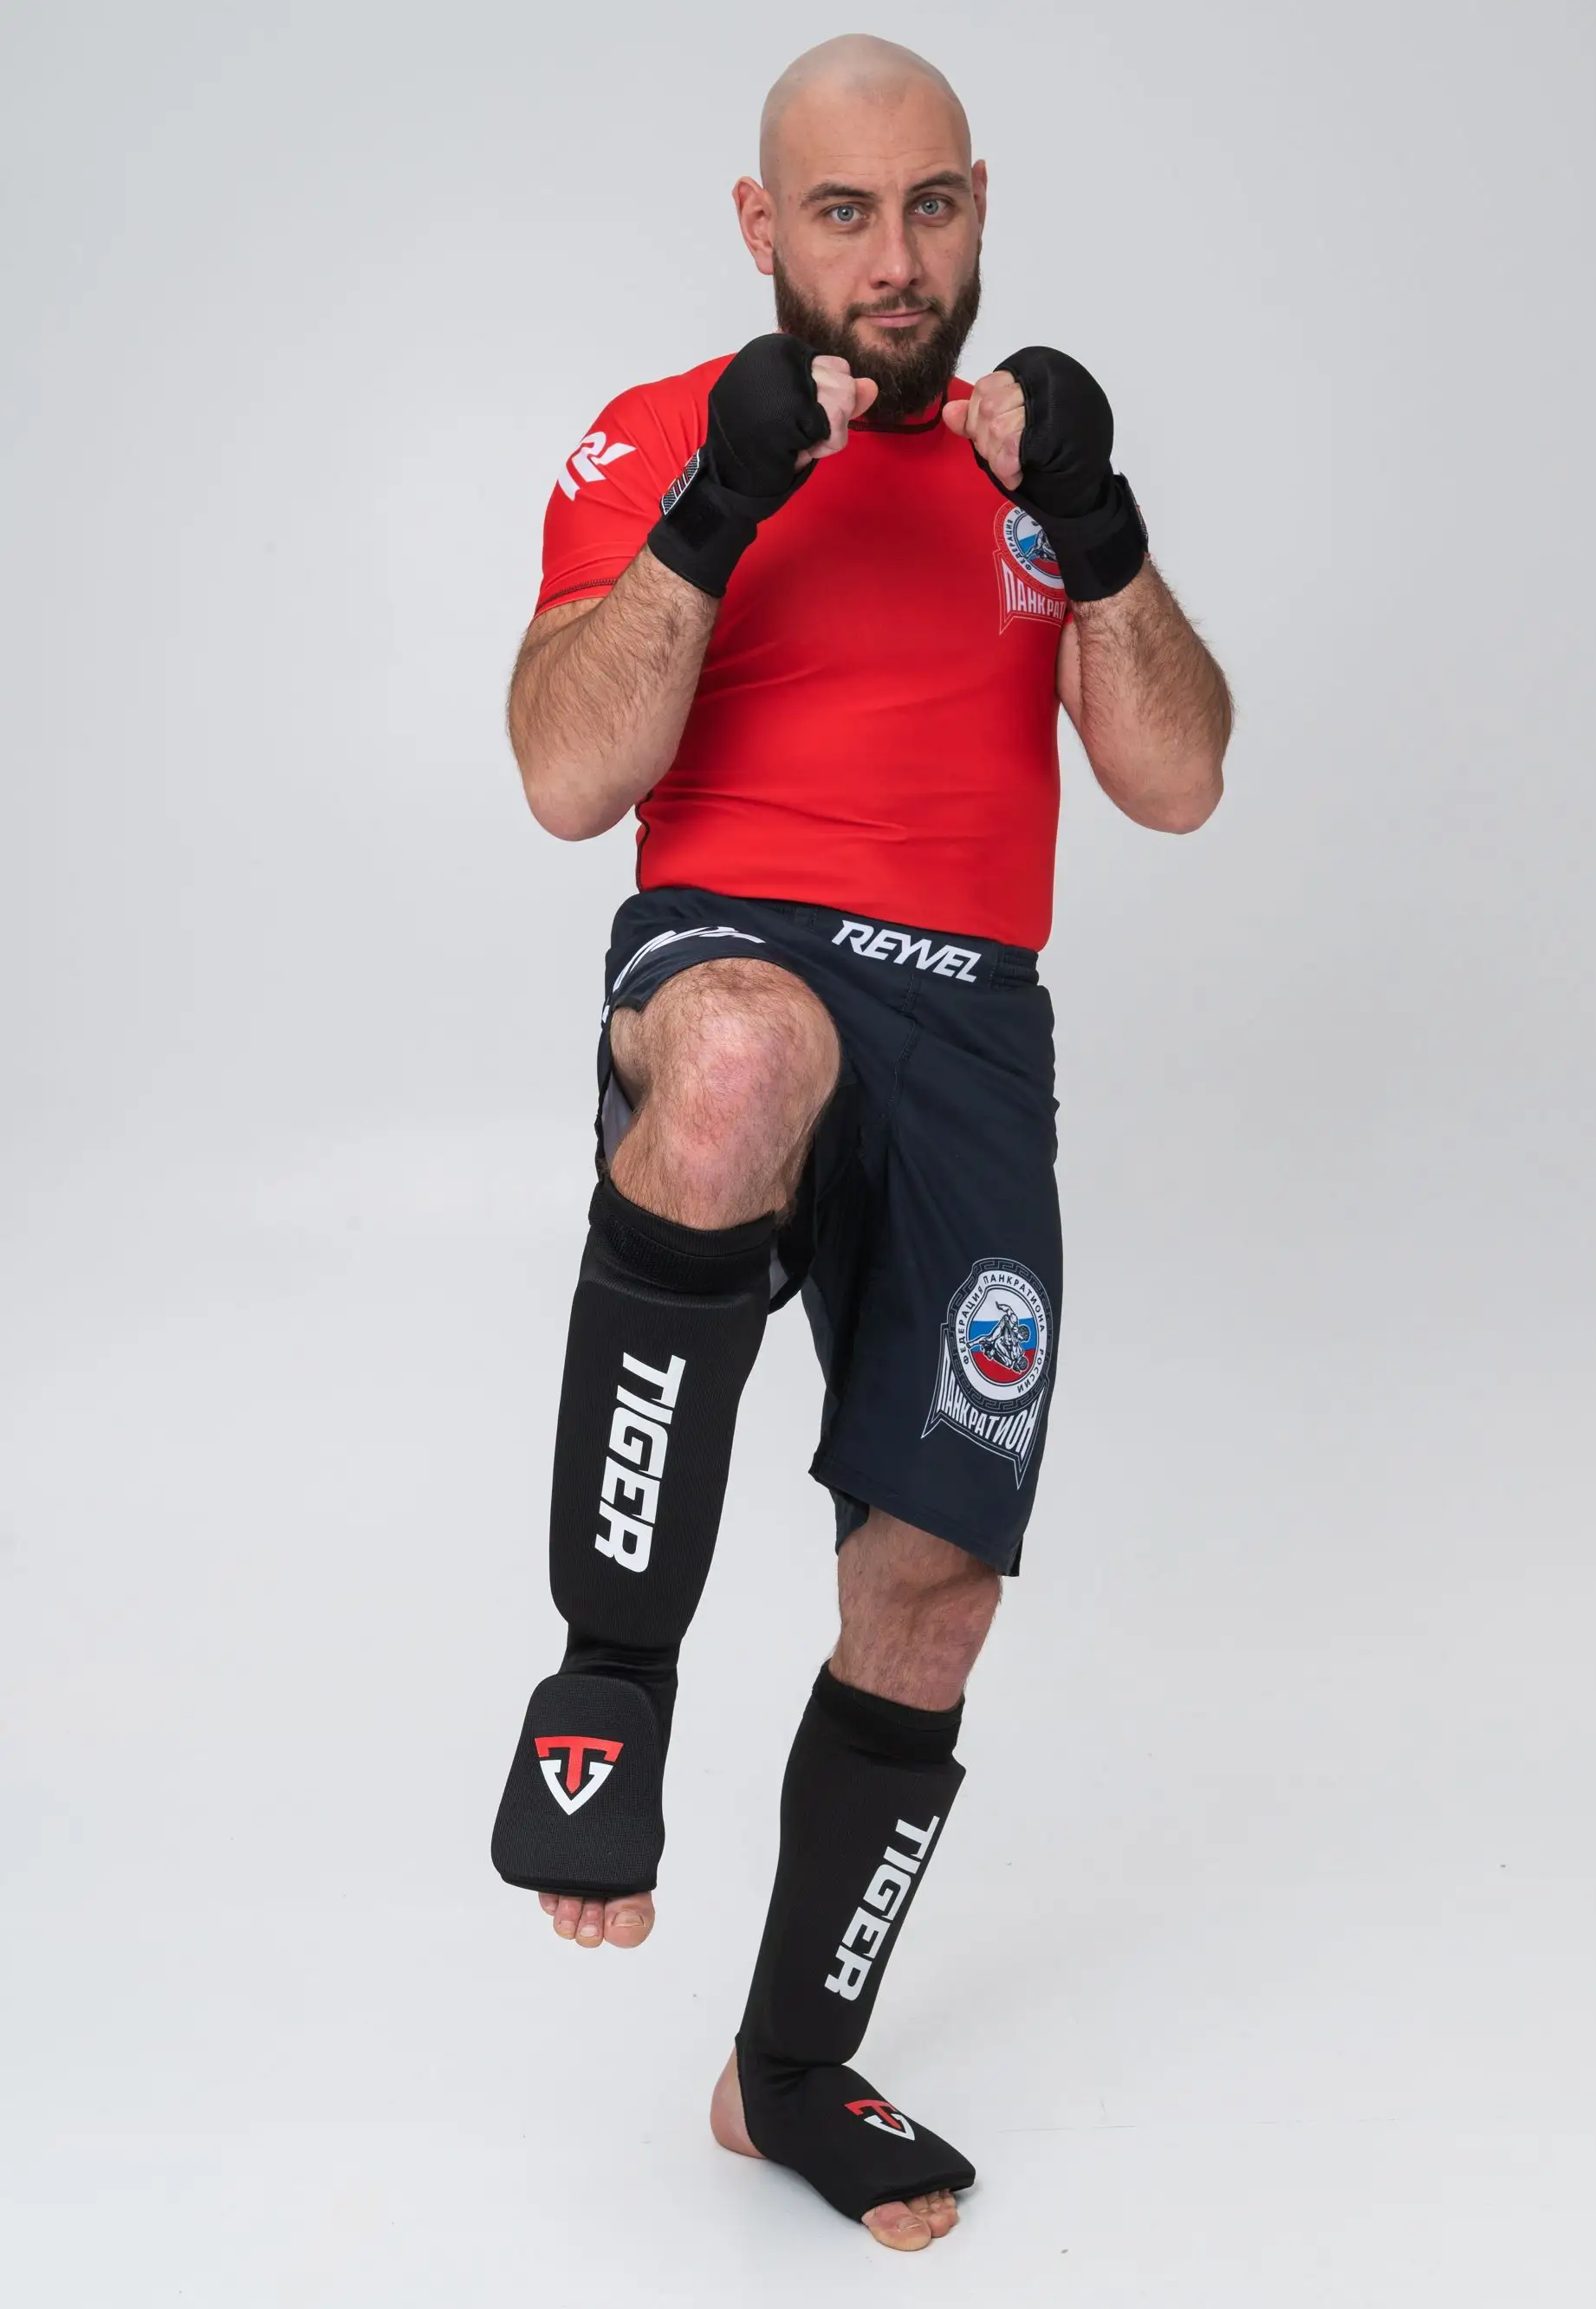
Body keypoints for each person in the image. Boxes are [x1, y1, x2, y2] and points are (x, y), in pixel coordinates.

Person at [489, 33, 1231, 2252]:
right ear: (762, 226)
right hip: (741, 935)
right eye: (841, 214)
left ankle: (790, 2068)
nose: (893, 261)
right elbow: (565, 773)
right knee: (733, 1062)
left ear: (979, 204)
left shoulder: (1030, 467)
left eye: (931, 208)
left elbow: (1181, 780)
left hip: (976, 1023)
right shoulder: (659, 436)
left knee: (934, 1589)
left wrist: (1100, 529)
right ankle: (607, 1682)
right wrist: (721, 506)